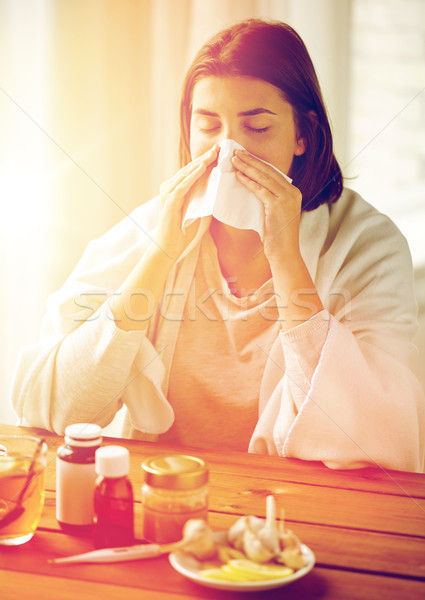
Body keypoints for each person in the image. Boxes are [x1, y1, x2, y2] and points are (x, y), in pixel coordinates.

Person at [11, 19, 425, 472]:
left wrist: (285, 257)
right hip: (166, 498)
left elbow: (376, 434)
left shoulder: (369, 244)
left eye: (258, 128)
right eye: (208, 126)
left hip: (297, 513)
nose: (229, 152)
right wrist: (159, 255)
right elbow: (49, 406)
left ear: (303, 134)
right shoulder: (154, 226)